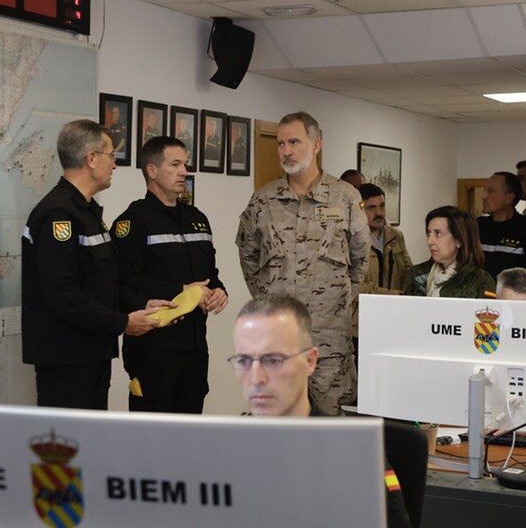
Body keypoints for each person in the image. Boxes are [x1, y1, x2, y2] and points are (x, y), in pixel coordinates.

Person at [21, 120, 170, 410]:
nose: (115, 164)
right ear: (91, 159)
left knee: (90, 446)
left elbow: (101, 282)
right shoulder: (57, 214)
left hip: (91, 353)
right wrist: (124, 323)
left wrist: (143, 303)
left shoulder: (86, 212)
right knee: (69, 449)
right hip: (67, 358)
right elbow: (62, 294)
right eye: (111, 155)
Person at [230, 294, 412, 528]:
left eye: (273, 360)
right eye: (243, 360)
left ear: (310, 362)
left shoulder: (354, 456)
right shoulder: (224, 451)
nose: (256, 378)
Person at [236, 111, 369, 415]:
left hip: (328, 340)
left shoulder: (345, 198)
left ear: (316, 144)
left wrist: (336, 303)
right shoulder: (263, 201)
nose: (286, 151)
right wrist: (269, 302)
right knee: (276, 422)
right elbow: (249, 258)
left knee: (335, 422)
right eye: (281, 144)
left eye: (294, 142)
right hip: (276, 339)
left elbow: (359, 261)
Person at [111, 136, 228, 414]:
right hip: (154, 350)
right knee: (152, 440)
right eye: (175, 164)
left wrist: (220, 290)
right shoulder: (133, 222)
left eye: (184, 164)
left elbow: (210, 273)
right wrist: (182, 289)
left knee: (190, 433)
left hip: (195, 346)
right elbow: (124, 282)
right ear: (152, 170)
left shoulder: (197, 217)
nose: (184, 172)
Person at [352, 183, 413, 360]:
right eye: (371, 208)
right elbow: (350, 284)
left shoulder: (396, 236)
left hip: (393, 321)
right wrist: (386, 295)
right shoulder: (351, 241)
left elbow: (408, 270)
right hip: (361, 325)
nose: (379, 213)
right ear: (359, 209)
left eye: (382, 206)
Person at [407, 206, 494, 298]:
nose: (430, 241)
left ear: (459, 239)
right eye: (429, 233)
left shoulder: (481, 281)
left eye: (438, 234)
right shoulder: (417, 274)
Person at [477, 172, 526, 280]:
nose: (483, 196)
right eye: (484, 190)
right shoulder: (477, 226)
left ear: (509, 198)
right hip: (478, 295)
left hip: (510, 295)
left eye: (490, 191)